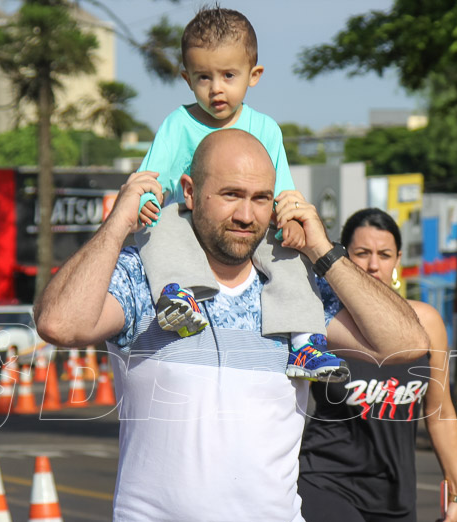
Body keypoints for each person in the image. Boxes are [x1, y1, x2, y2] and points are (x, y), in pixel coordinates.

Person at [33, 129, 430, 522]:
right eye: (231, 195)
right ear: (190, 192)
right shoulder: (145, 276)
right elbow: (59, 322)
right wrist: (117, 224)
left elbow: (405, 343)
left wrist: (322, 247)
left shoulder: (299, 292)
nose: (247, 214)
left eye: (260, 198)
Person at [133, 6, 346, 382]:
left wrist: (292, 221)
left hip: (250, 229)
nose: (216, 88)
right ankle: (176, 298)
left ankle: (305, 342)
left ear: (254, 75)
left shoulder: (265, 129)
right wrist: (142, 206)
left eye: (228, 75)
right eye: (203, 77)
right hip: (191, 222)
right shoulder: (177, 125)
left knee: (289, 256)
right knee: (162, 223)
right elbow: (150, 179)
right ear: (187, 78)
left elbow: (281, 192)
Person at [297, 208, 457, 522]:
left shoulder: (424, 323)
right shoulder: (320, 321)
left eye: (384, 254)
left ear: (398, 261)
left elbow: (440, 409)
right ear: (340, 256)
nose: (373, 264)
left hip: (396, 502)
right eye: (361, 253)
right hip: (328, 487)